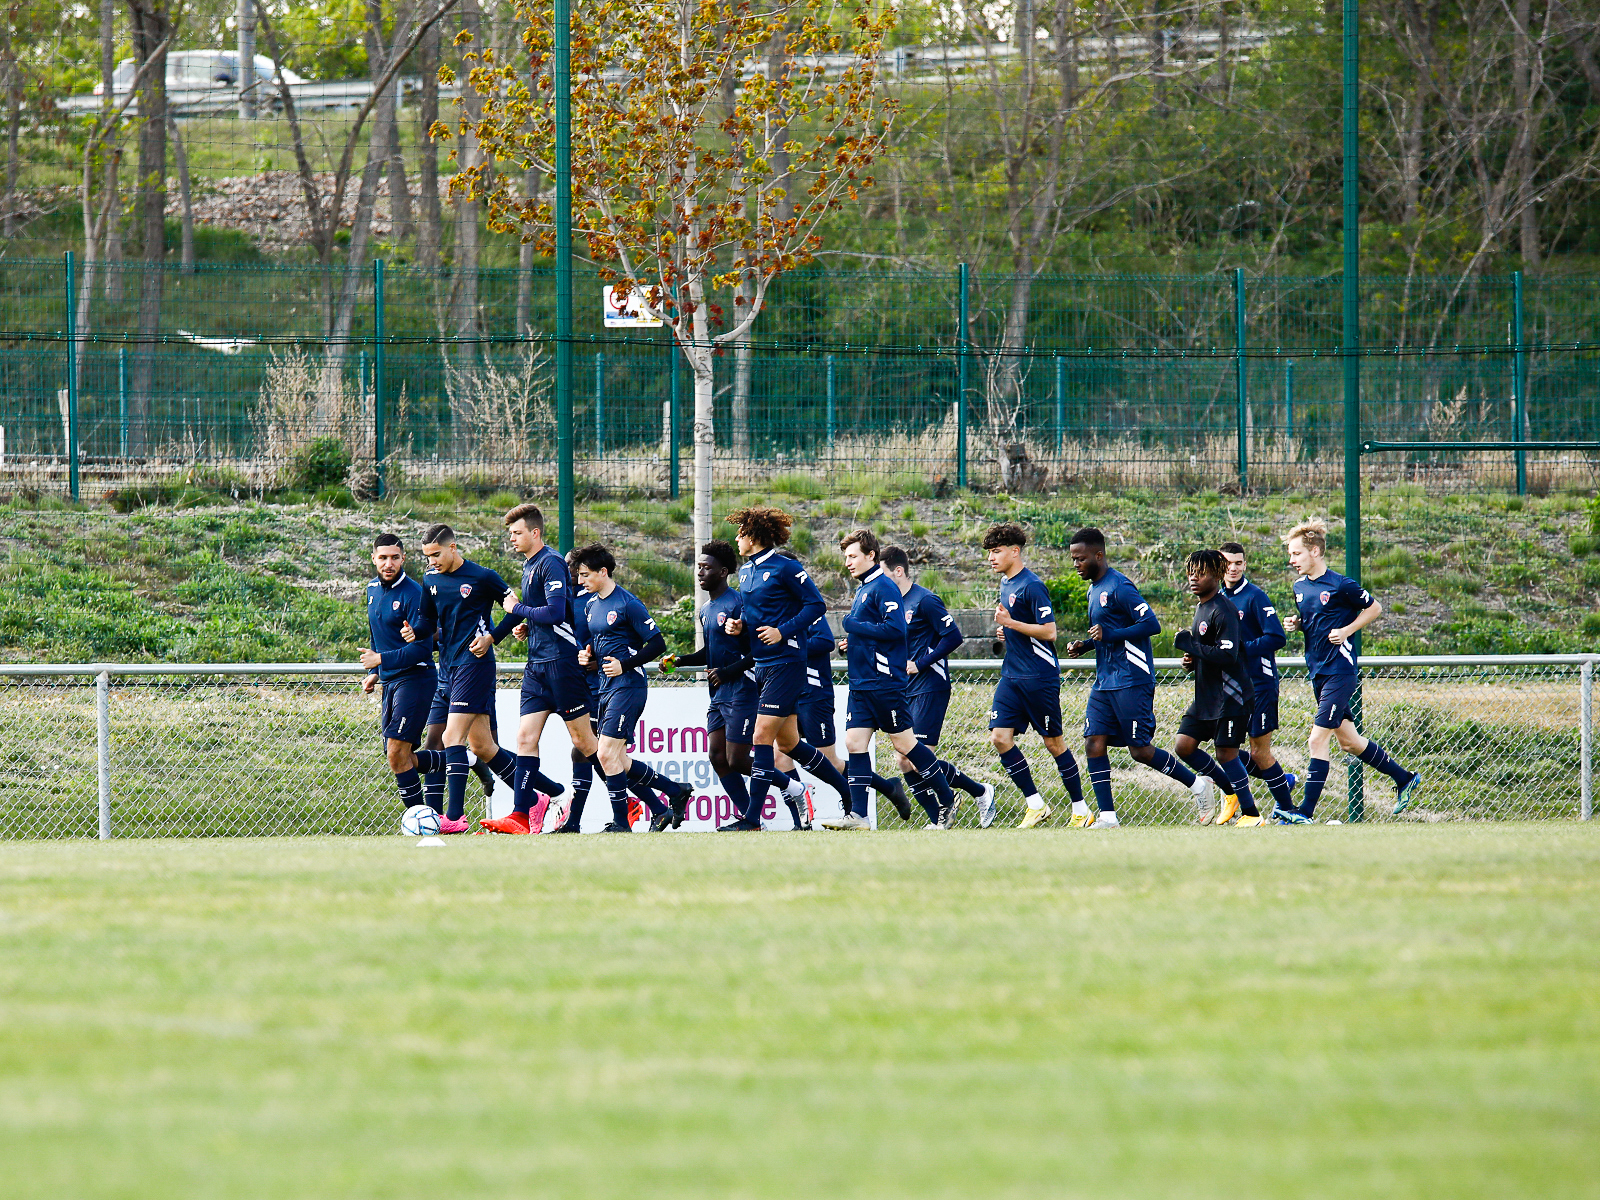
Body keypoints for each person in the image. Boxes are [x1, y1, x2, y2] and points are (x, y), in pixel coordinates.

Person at [661, 542, 815, 830]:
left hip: (743, 689)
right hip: (719, 693)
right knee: (718, 757)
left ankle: (795, 788)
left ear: (723, 572)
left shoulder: (738, 603)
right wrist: (679, 660)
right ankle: (751, 820)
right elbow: (710, 651)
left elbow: (756, 650)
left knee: (738, 759)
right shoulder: (706, 609)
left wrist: (728, 671)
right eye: (698, 567)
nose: (700, 572)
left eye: (706, 568)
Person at [718, 505, 853, 831]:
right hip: (763, 665)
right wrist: (740, 625)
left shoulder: (786, 567)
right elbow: (754, 613)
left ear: (753, 536)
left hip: (786, 663)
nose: (736, 539)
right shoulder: (746, 572)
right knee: (790, 745)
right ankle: (849, 795)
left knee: (761, 736)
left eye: (740, 533)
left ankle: (752, 819)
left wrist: (783, 632)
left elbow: (816, 605)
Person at [1064, 526, 1208, 828]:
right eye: (1073, 559)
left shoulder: (1120, 586)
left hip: (1131, 679)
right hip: (1105, 681)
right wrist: (1085, 645)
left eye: (1080, 558)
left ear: (1098, 555)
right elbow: (1107, 633)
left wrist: (1109, 634)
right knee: (1093, 742)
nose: (1076, 564)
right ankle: (1108, 817)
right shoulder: (1093, 589)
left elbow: (1151, 625)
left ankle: (1198, 785)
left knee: (1140, 750)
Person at [1281, 520, 1422, 823]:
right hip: (1318, 672)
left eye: (1296, 553)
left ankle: (1304, 812)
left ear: (1314, 552)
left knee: (1317, 740)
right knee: (1350, 742)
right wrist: (1297, 623)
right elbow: (1316, 621)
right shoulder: (1300, 587)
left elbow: (1375, 608)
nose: (1291, 560)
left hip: (1339, 672)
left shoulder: (1341, 585)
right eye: (1291, 554)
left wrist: (1347, 631)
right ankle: (1404, 778)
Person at [825, 530, 958, 831]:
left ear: (871, 555)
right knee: (854, 742)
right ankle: (858, 816)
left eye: (853, 556)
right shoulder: (864, 588)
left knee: (905, 744)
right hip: (861, 684)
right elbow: (873, 632)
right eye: (846, 557)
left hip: (884, 683)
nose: (848, 562)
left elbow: (896, 630)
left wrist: (854, 626)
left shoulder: (883, 587)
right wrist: (854, 642)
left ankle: (947, 800)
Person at [480, 503, 600, 834]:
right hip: (537, 666)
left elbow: (556, 612)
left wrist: (519, 609)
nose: (512, 538)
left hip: (561, 664)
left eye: (517, 533)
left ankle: (633, 799)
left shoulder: (551, 562)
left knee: (585, 742)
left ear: (535, 533)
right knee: (525, 737)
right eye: (510, 533)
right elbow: (534, 612)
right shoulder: (530, 564)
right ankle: (520, 815)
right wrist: (506, 631)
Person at [573, 543, 692, 832]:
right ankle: (674, 791)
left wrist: (625, 665)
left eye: (585, 575)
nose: (580, 580)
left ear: (603, 572)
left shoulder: (628, 604)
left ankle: (621, 823)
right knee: (619, 759)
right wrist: (588, 657)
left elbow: (658, 644)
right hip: (605, 687)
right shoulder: (591, 605)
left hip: (628, 686)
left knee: (605, 754)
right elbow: (603, 644)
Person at [416, 523, 522, 833]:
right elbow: (427, 622)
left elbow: (516, 608)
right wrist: (413, 632)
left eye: (436, 554)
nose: (432, 561)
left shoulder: (482, 577)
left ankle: (455, 818)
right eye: (427, 556)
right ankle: (539, 796)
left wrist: (492, 637)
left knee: (451, 738)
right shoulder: (430, 579)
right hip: (447, 669)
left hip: (474, 665)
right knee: (483, 747)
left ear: (452, 547)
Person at [880, 544, 994, 827]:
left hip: (930, 685)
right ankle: (961, 803)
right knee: (904, 760)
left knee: (920, 757)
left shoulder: (925, 600)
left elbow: (953, 637)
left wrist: (920, 663)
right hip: (904, 688)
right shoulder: (890, 603)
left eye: (883, 574)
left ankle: (968, 800)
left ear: (898, 571)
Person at [983, 522, 1086, 828]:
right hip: (1012, 676)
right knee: (999, 737)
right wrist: (1007, 631)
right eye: (989, 552)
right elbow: (1020, 626)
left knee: (1053, 743)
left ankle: (1081, 810)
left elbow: (1049, 632)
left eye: (996, 551)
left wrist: (1011, 624)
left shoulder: (1032, 585)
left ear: (1015, 551)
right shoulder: (1006, 583)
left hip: (1039, 677)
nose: (991, 558)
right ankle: (1035, 804)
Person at [1171, 549, 1265, 827]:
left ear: (1217, 575)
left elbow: (1227, 655)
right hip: (1207, 696)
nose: (1193, 578)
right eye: (1191, 573)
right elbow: (1206, 650)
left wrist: (1191, 645)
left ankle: (1252, 814)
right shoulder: (1202, 607)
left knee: (1226, 753)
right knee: (1184, 746)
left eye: (1201, 574)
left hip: (1230, 696)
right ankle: (1229, 791)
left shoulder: (1223, 609)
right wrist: (1191, 659)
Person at [1218, 541, 1298, 823]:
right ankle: (1282, 779)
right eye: (1228, 563)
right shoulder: (1216, 597)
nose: (1233, 568)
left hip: (1260, 684)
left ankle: (1288, 810)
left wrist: (1241, 649)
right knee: (1224, 748)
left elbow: (1277, 637)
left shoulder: (1255, 596)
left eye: (1238, 563)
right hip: (1230, 686)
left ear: (1244, 564)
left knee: (1259, 751)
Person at [357, 533, 438, 815]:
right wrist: (376, 672)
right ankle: (461, 760)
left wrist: (380, 659)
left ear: (403, 558)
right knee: (398, 757)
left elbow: (422, 649)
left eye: (394, 558)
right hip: (391, 680)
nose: (388, 564)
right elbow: (378, 634)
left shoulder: (415, 594)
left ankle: (419, 818)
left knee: (396, 752)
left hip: (415, 678)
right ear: (373, 559)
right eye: (383, 558)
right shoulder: (371, 589)